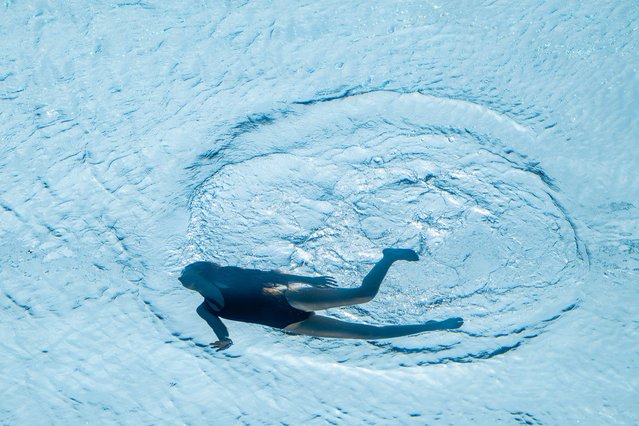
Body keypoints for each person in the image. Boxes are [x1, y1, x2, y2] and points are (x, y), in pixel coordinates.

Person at [178, 248, 463, 351]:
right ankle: (435, 325)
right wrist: (225, 340)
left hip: (288, 300)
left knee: (364, 295)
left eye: (184, 273)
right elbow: (220, 329)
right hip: (290, 325)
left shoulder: (228, 275)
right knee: (371, 334)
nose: (180, 279)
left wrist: (309, 281)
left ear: (198, 272)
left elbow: (266, 276)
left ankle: (389, 256)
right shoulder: (204, 309)